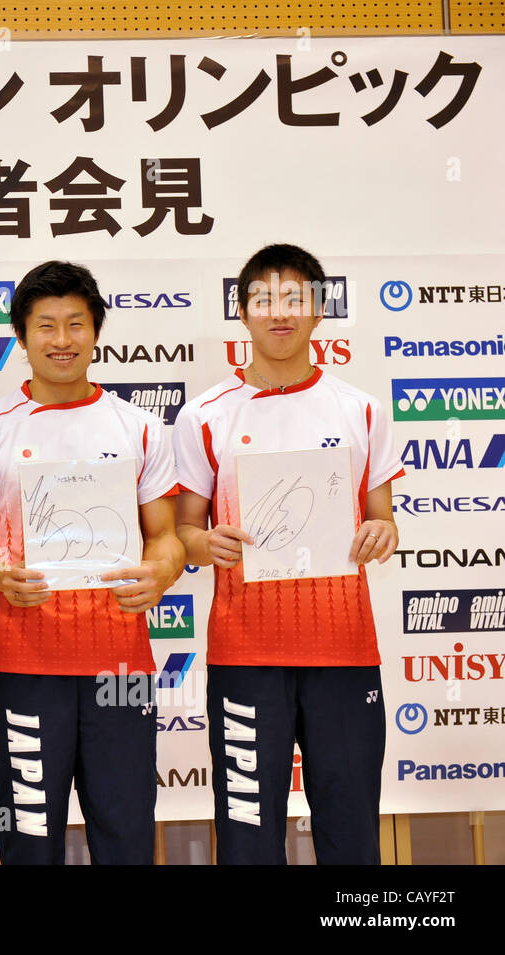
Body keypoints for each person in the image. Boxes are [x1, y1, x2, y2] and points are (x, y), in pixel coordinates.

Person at [173, 243, 403, 864]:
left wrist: (383, 533)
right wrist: (206, 542)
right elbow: (185, 533)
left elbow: (383, 519)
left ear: (319, 310)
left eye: (295, 297)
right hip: (246, 652)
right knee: (247, 835)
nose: (280, 312)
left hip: (343, 647)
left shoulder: (360, 408)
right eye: (264, 298)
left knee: (351, 828)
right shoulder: (203, 415)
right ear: (241, 311)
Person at [0, 260, 185, 865]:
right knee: (29, 837)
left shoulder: (138, 427)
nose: (61, 341)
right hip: (26, 660)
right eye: (46, 326)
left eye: (75, 325)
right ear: (21, 336)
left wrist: (161, 571)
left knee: (126, 829)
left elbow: (166, 536)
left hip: (121, 664)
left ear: (96, 332)